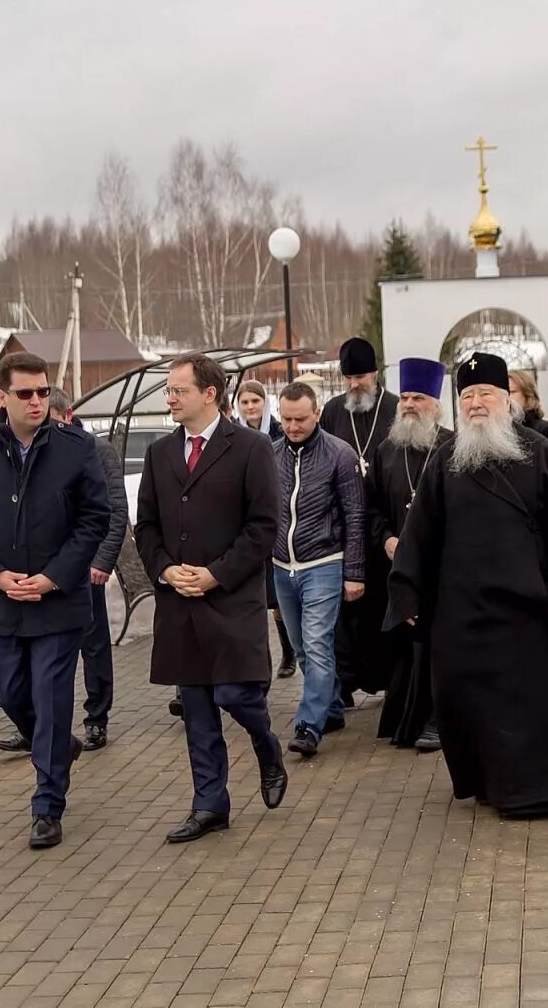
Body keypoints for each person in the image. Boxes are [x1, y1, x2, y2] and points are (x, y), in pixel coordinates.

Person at [387, 352, 548, 818]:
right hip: (462, 614)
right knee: (474, 708)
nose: (476, 404)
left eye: (485, 393)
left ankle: (545, 789)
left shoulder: (538, 451)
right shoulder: (445, 461)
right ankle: (492, 784)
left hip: (532, 611)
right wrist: (407, 592)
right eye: (467, 396)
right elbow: (419, 536)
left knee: (535, 706)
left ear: (508, 401)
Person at [0, 352, 111, 849]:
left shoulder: (75, 448)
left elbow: (94, 519)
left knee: (50, 695)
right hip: (3, 602)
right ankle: (59, 744)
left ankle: (47, 804)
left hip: (58, 603)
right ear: (2, 397)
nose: (37, 401)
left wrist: (54, 577)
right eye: (25, 393)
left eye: (42, 391)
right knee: (7, 690)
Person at [136, 353, 287, 843]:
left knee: (235, 694)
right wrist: (164, 568)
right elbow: (148, 525)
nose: (170, 398)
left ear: (210, 394)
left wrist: (215, 575)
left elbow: (264, 526)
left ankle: (267, 748)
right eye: (169, 390)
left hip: (230, 599)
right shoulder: (160, 453)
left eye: (179, 390)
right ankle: (210, 804)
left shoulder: (249, 449)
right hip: (180, 602)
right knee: (197, 707)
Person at [271, 382, 366, 758]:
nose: (293, 426)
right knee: (301, 648)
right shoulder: (271, 454)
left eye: (300, 419)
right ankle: (333, 706)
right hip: (282, 565)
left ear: (317, 414)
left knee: (317, 643)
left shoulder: (339, 454)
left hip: (324, 562)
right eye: (287, 419)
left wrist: (354, 572)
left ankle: (309, 726)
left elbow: (355, 515)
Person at [368, 357, 454, 751]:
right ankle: (406, 721)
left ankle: (437, 721)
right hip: (398, 564)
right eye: (404, 396)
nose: (408, 404)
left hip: (441, 565)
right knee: (404, 647)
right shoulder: (385, 450)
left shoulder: (453, 446)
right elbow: (368, 508)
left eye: (418, 397)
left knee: (435, 645)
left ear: (434, 404)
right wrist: (385, 536)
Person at [39, 388, 130, 752]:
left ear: (67, 415)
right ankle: (38, 724)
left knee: (92, 646)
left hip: (85, 565)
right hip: (47, 570)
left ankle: (96, 718)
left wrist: (101, 561)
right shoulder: (37, 452)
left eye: (51, 420)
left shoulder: (97, 450)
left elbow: (115, 510)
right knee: (46, 650)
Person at [319, 337, 396, 705]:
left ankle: (388, 678)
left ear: (376, 373)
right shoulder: (333, 411)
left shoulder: (396, 408)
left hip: (383, 527)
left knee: (382, 604)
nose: (354, 385)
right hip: (344, 531)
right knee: (347, 614)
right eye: (348, 377)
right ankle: (346, 682)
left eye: (361, 376)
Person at [232, 379, 297, 678]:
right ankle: (259, 661)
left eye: (255, 401)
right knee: (255, 596)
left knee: (277, 598)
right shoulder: (232, 433)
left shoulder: (278, 432)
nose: (250, 407)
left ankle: (288, 652)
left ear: (264, 403)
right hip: (244, 522)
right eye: (245, 402)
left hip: (278, 521)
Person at [508, 368, 548, 465]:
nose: (507, 397)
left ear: (527, 394)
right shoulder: (498, 431)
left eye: (512, 392)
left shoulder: (547, 430)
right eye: (504, 393)